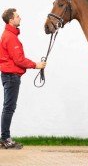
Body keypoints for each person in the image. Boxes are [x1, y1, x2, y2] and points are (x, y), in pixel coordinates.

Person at [0, 8, 46, 149]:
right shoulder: (10, 37)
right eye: (17, 16)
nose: (20, 18)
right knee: (9, 107)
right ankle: (5, 139)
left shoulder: (8, 35)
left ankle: (4, 138)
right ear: (11, 20)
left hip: (9, 76)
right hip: (11, 76)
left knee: (8, 107)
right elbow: (19, 60)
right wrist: (36, 65)